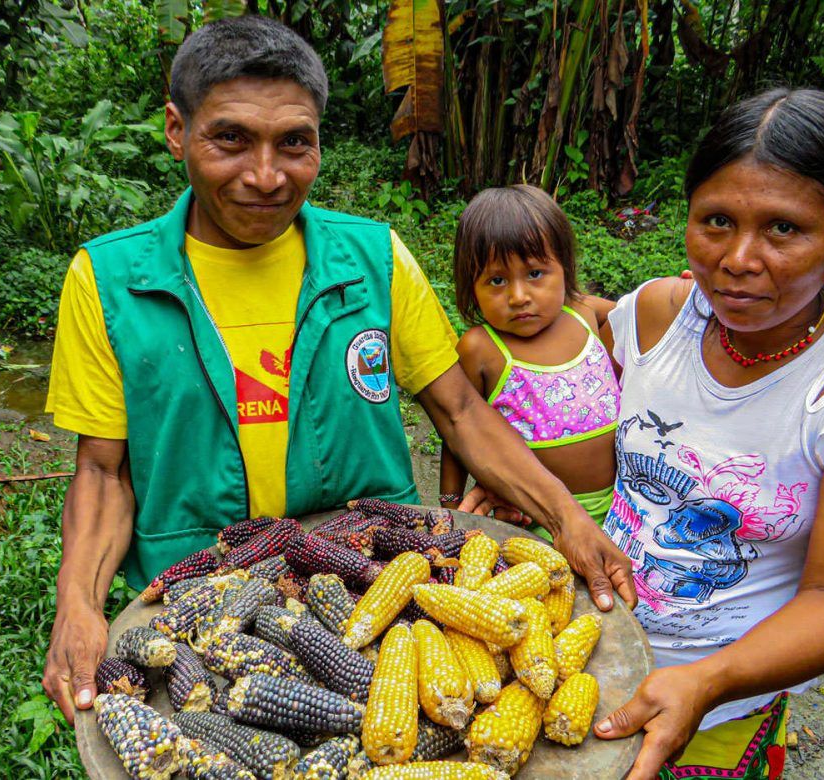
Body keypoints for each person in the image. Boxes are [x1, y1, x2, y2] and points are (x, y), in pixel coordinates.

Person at [41, 15, 636, 726]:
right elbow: (103, 473)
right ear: (176, 130)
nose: (266, 176)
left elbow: (460, 412)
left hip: (368, 598)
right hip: (206, 618)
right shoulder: (109, 280)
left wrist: (566, 517)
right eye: (230, 138)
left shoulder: (373, 259)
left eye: (294, 143)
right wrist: (77, 605)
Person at [589, 88, 824, 780]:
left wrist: (710, 681)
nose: (738, 258)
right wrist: (527, 489)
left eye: (784, 229)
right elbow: (619, 453)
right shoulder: (658, 315)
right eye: (716, 221)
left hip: (720, 700)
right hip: (591, 651)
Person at [440, 185, 621, 540]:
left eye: (535, 274)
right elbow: (457, 428)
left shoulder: (587, 314)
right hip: (529, 521)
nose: (518, 296)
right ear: (470, 286)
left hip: (622, 507)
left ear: (564, 268)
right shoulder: (481, 348)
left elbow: (647, 319)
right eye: (496, 280)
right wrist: (449, 507)